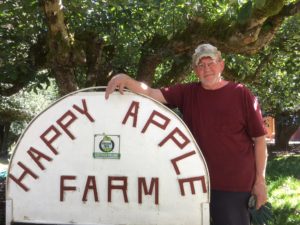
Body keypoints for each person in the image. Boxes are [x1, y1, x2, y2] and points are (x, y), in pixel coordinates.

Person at [105, 43, 268, 225]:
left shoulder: (241, 94)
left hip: (234, 186)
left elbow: (260, 140)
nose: (207, 69)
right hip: (194, 184)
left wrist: (260, 181)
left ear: (221, 65)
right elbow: (151, 93)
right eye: (201, 65)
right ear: (195, 70)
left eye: (211, 63)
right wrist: (126, 80)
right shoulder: (187, 92)